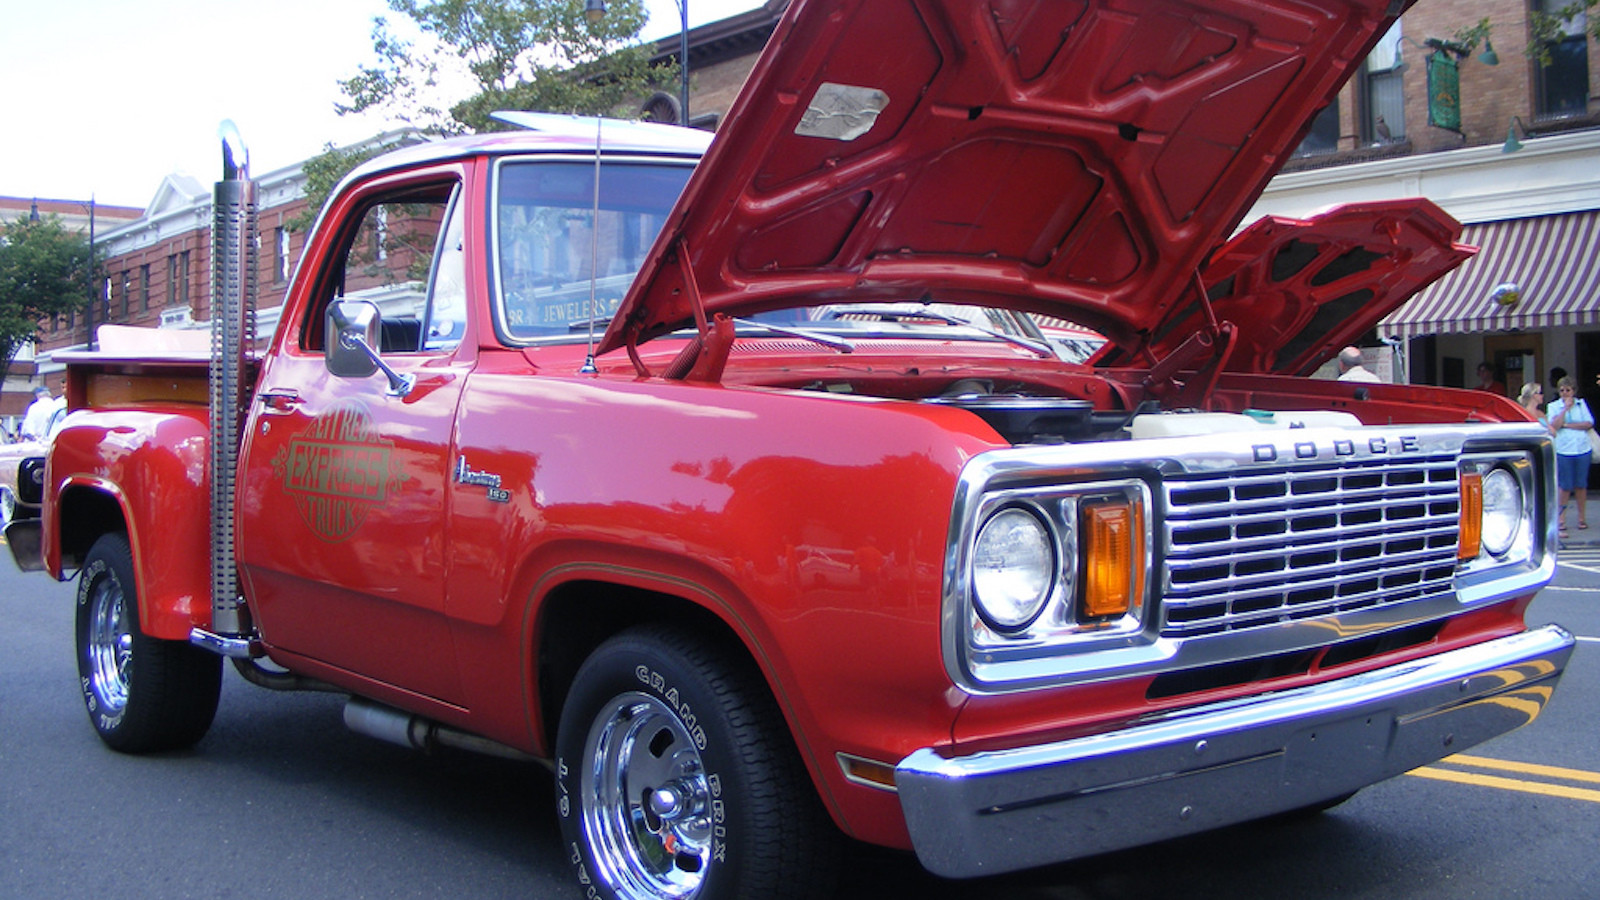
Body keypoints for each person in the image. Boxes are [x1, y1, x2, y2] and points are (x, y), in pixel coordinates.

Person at [1546, 376, 1593, 537]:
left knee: (1581, 484)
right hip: (1563, 450)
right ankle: (1561, 519)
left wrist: (1567, 425)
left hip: (1582, 449)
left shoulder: (1581, 404)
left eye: (1568, 390)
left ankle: (1581, 518)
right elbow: (1554, 426)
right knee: (1565, 486)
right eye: (1562, 391)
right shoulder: (1553, 406)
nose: (1565, 394)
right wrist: (1564, 410)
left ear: (1574, 391)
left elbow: (1588, 423)